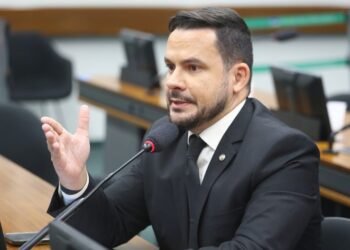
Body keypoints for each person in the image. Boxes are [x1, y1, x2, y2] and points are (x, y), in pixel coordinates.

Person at [42, 7, 321, 250]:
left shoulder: (285, 154)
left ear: (238, 77)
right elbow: (110, 225)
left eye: (193, 68)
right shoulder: (166, 137)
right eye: (170, 67)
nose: (172, 82)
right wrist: (75, 181)